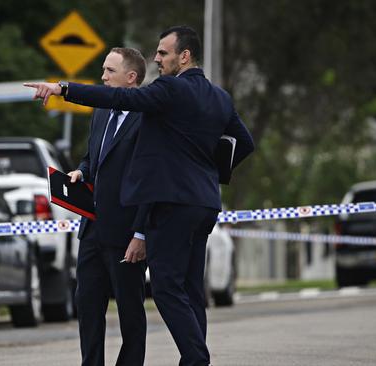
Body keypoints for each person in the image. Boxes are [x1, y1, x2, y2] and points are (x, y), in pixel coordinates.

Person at [25, 26, 254, 366]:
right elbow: (244, 143)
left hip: (172, 206)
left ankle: (196, 360)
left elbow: (121, 98)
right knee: (190, 291)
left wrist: (62, 89)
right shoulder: (219, 96)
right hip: (204, 203)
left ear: (184, 56)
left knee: (165, 289)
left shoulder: (170, 89)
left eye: (163, 53)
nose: (157, 59)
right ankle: (195, 357)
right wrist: (207, 172)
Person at [68, 47, 149, 366]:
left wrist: (141, 233)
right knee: (87, 308)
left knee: (130, 313)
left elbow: (149, 180)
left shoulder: (148, 118)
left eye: (109, 72)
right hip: (91, 230)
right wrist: (81, 172)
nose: (102, 77)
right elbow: (92, 159)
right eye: (103, 70)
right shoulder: (101, 111)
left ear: (131, 78)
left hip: (126, 234)